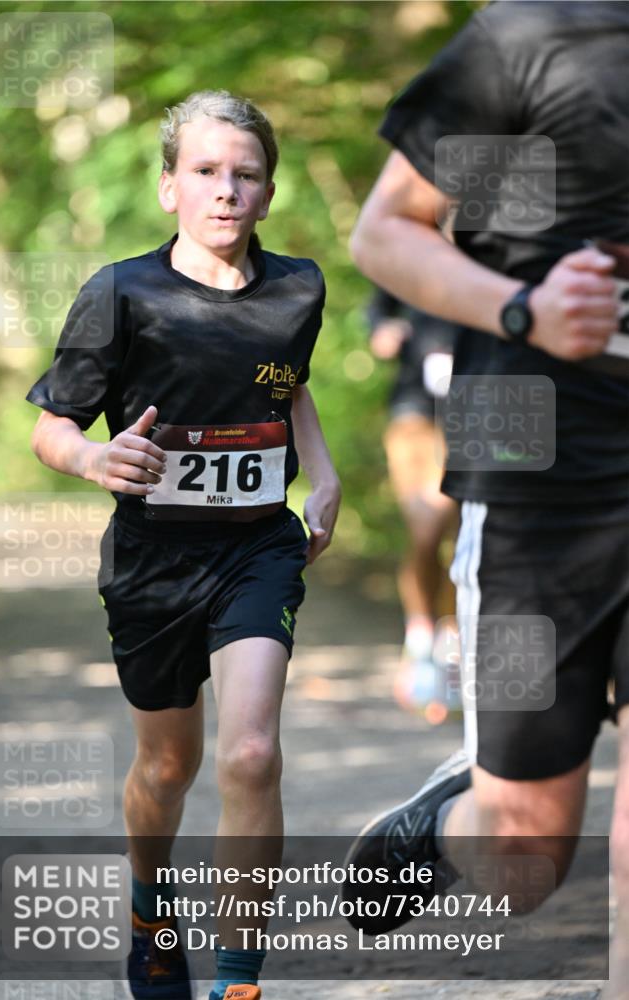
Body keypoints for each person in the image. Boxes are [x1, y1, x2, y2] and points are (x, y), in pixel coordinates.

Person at [26, 90, 341, 1000]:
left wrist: (321, 474)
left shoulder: (298, 288)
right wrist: (94, 457)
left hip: (257, 549)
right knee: (168, 767)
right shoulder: (122, 293)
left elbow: (287, 385)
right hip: (154, 562)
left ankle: (237, 978)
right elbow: (52, 426)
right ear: (169, 187)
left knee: (250, 754)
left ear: (269, 193)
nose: (225, 191)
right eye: (204, 172)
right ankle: (149, 903)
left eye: (245, 175)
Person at [344, 3, 628, 998]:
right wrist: (525, 309)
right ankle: (445, 816)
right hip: (532, 467)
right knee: (524, 856)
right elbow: (384, 231)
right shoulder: (533, 37)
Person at [366, 288, 460, 723]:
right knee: (427, 528)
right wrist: (382, 331)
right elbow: (378, 308)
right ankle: (422, 636)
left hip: (477, 410)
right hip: (414, 410)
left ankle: (452, 651)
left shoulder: (495, 248)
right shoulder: (409, 238)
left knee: (467, 540)